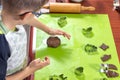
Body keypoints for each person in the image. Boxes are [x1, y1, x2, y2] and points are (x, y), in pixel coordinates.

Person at [0, 0, 71, 80]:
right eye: (36, 13)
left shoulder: (7, 11)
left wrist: (49, 30)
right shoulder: (2, 46)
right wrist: (30, 70)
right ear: (26, 15)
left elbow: (27, 18)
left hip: (18, 64)